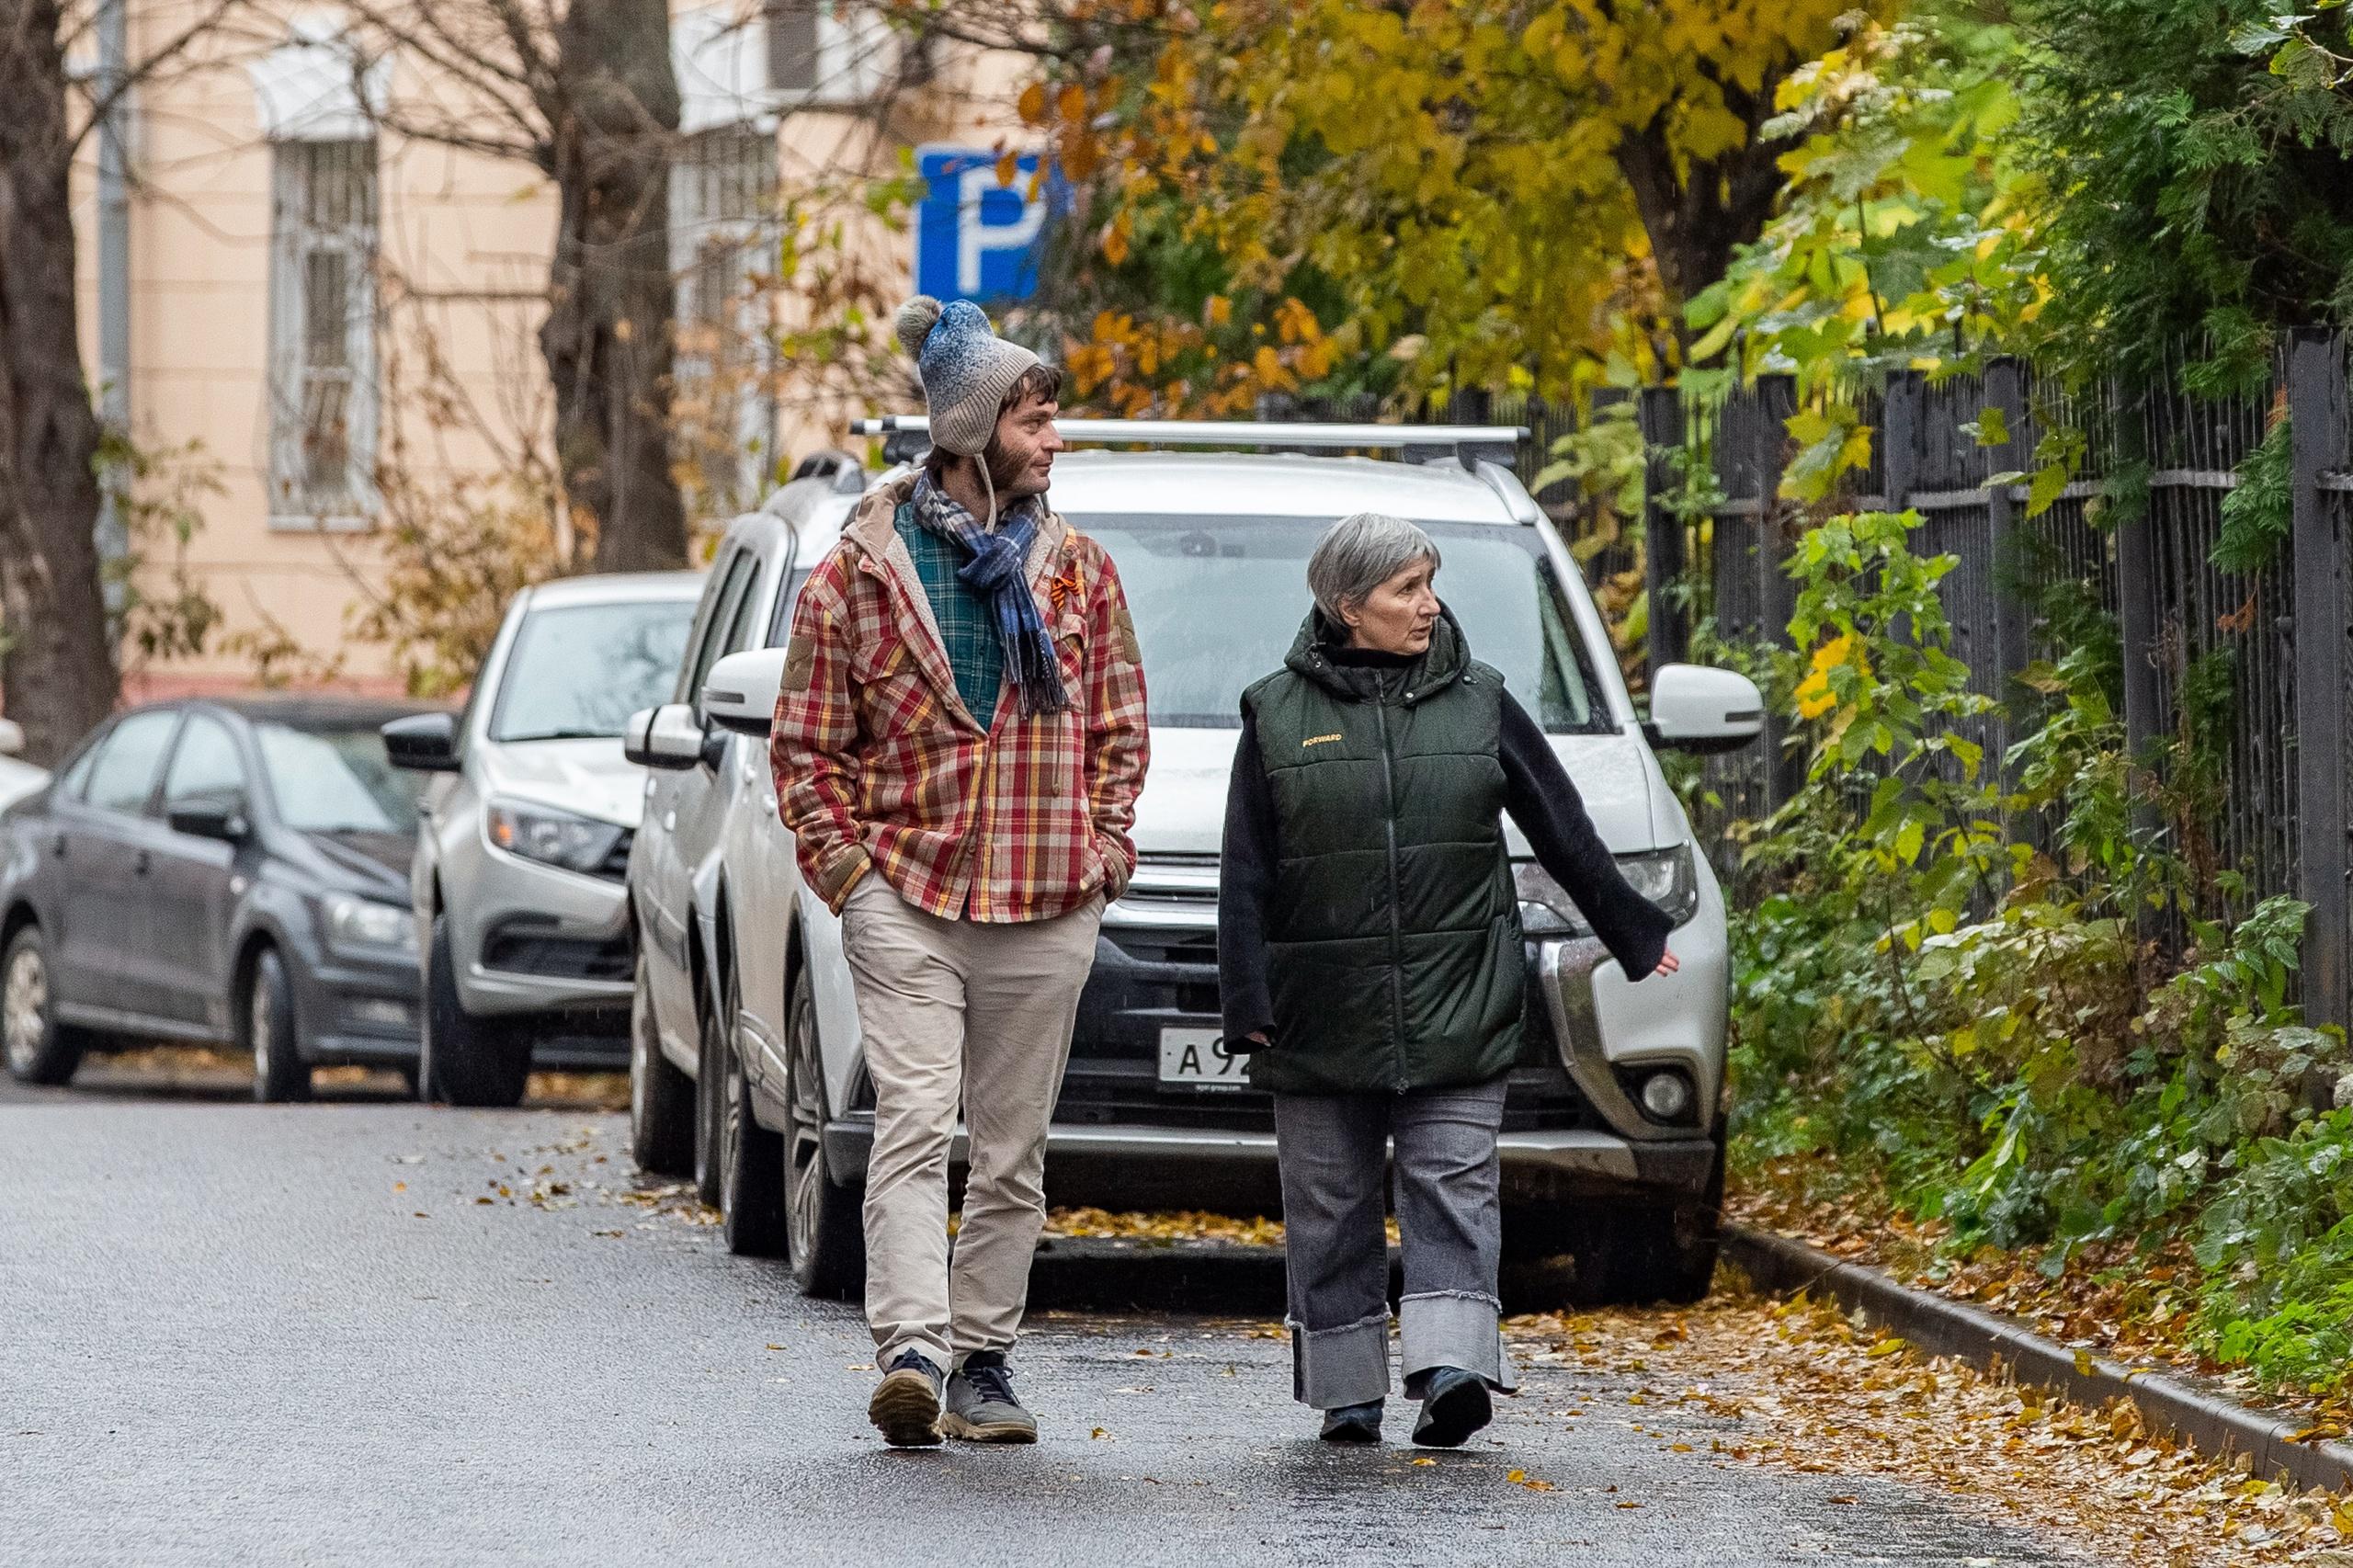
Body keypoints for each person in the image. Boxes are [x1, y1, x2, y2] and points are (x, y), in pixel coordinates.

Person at [769, 297, 1150, 1447]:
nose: (1056, 440)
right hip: (907, 891)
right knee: (912, 1119)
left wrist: (1104, 854)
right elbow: (804, 744)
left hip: (1046, 895)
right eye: (1038, 420)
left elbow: (1122, 729)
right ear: (973, 428)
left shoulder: (1079, 575)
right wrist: (848, 874)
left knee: (1010, 1144)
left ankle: (985, 1358)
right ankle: (914, 1354)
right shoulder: (858, 576)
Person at [1217, 511, 1678, 1448]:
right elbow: (1245, 871)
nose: (1427, 604)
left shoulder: (1481, 700)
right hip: (1319, 1010)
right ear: (1347, 605)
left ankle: (1450, 1369)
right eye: (1404, 589)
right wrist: (1246, 1002)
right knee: (1330, 1203)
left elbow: (1562, 825)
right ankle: (1347, 1389)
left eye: (1429, 582)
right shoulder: (1275, 712)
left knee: (1451, 1183)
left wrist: (1631, 929)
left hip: (1459, 994)